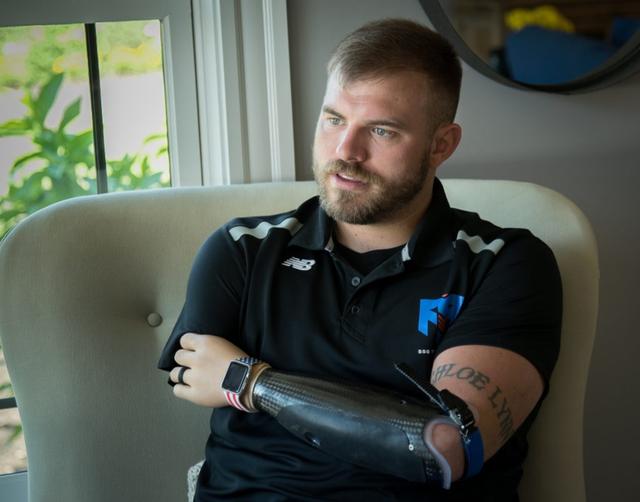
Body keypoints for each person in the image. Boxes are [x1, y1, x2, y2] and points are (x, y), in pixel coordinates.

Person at [158, 18, 562, 501]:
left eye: (381, 130)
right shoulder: (244, 249)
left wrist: (250, 382)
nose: (346, 151)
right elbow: (190, 374)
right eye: (334, 119)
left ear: (441, 145)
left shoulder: (503, 264)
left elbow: (446, 446)